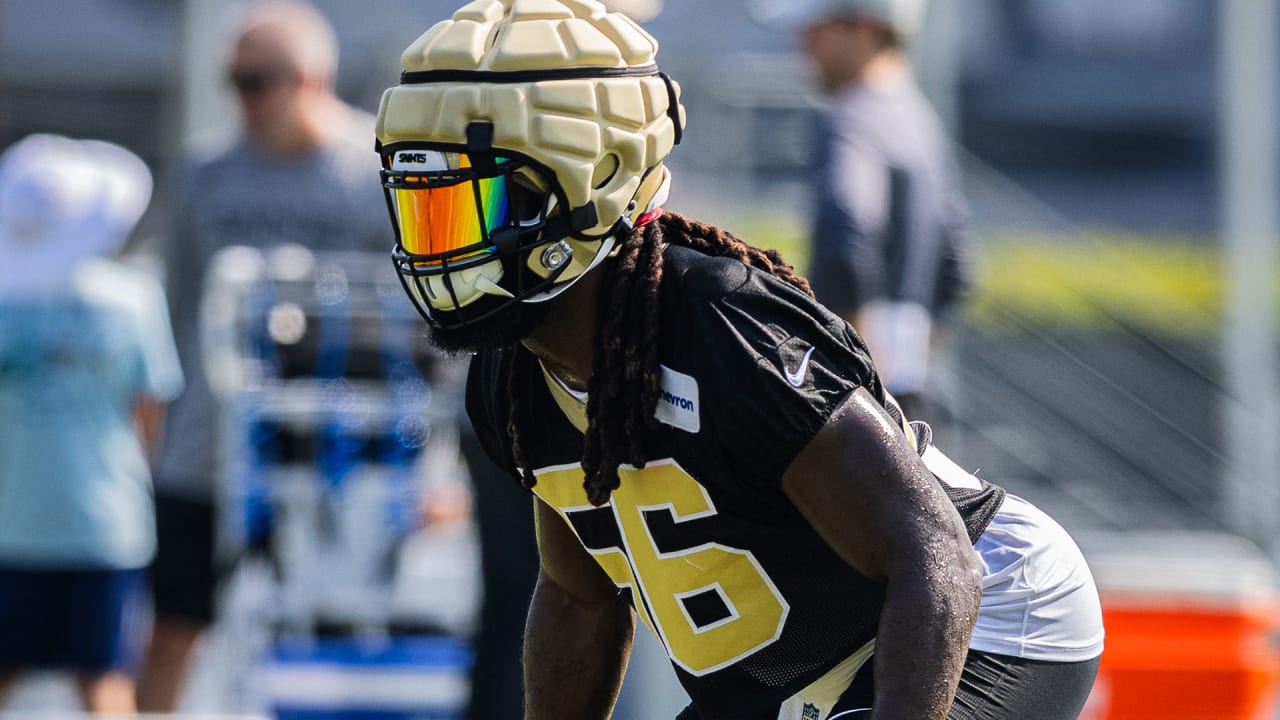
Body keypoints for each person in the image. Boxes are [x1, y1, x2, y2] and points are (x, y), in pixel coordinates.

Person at [374, 1, 1104, 718]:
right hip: (796, 667)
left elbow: (936, 559)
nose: (439, 250)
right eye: (423, 209)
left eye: (469, 206)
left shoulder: (724, 324)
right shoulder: (511, 375)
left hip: (992, 615)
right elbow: (578, 596)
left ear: (590, 179)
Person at [137, 1, 390, 711]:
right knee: (173, 622)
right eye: (234, 79)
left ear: (309, 77)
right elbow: (176, 305)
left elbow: (414, 319)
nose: (242, 96)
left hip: (330, 440)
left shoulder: (372, 169)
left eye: (257, 79)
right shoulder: (205, 172)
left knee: (325, 630)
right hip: (208, 440)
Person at [0, 134, 183, 713]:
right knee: (104, 681)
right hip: (106, 523)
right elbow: (148, 414)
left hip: (12, 522)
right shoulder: (131, 299)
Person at [759, 0, 972, 423]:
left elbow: (849, 232)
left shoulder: (851, 118)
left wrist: (849, 368)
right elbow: (957, 266)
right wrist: (903, 364)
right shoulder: (919, 117)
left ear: (865, 29)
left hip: (858, 399)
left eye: (815, 30)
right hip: (912, 387)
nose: (802, 45)